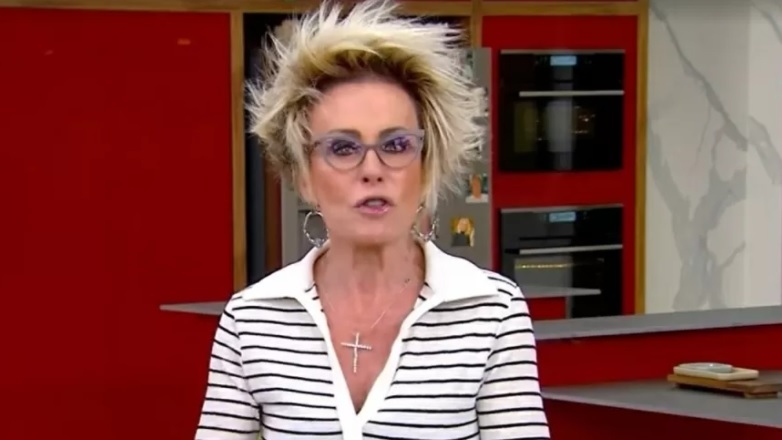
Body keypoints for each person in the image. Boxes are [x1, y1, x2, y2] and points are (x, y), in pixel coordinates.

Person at [195, 1, 550, 439]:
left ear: (426, 166)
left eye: (396, 145)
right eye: (343, 148)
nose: (372, 169)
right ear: (303, 176)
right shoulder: (251, 320)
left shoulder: (492, 311)